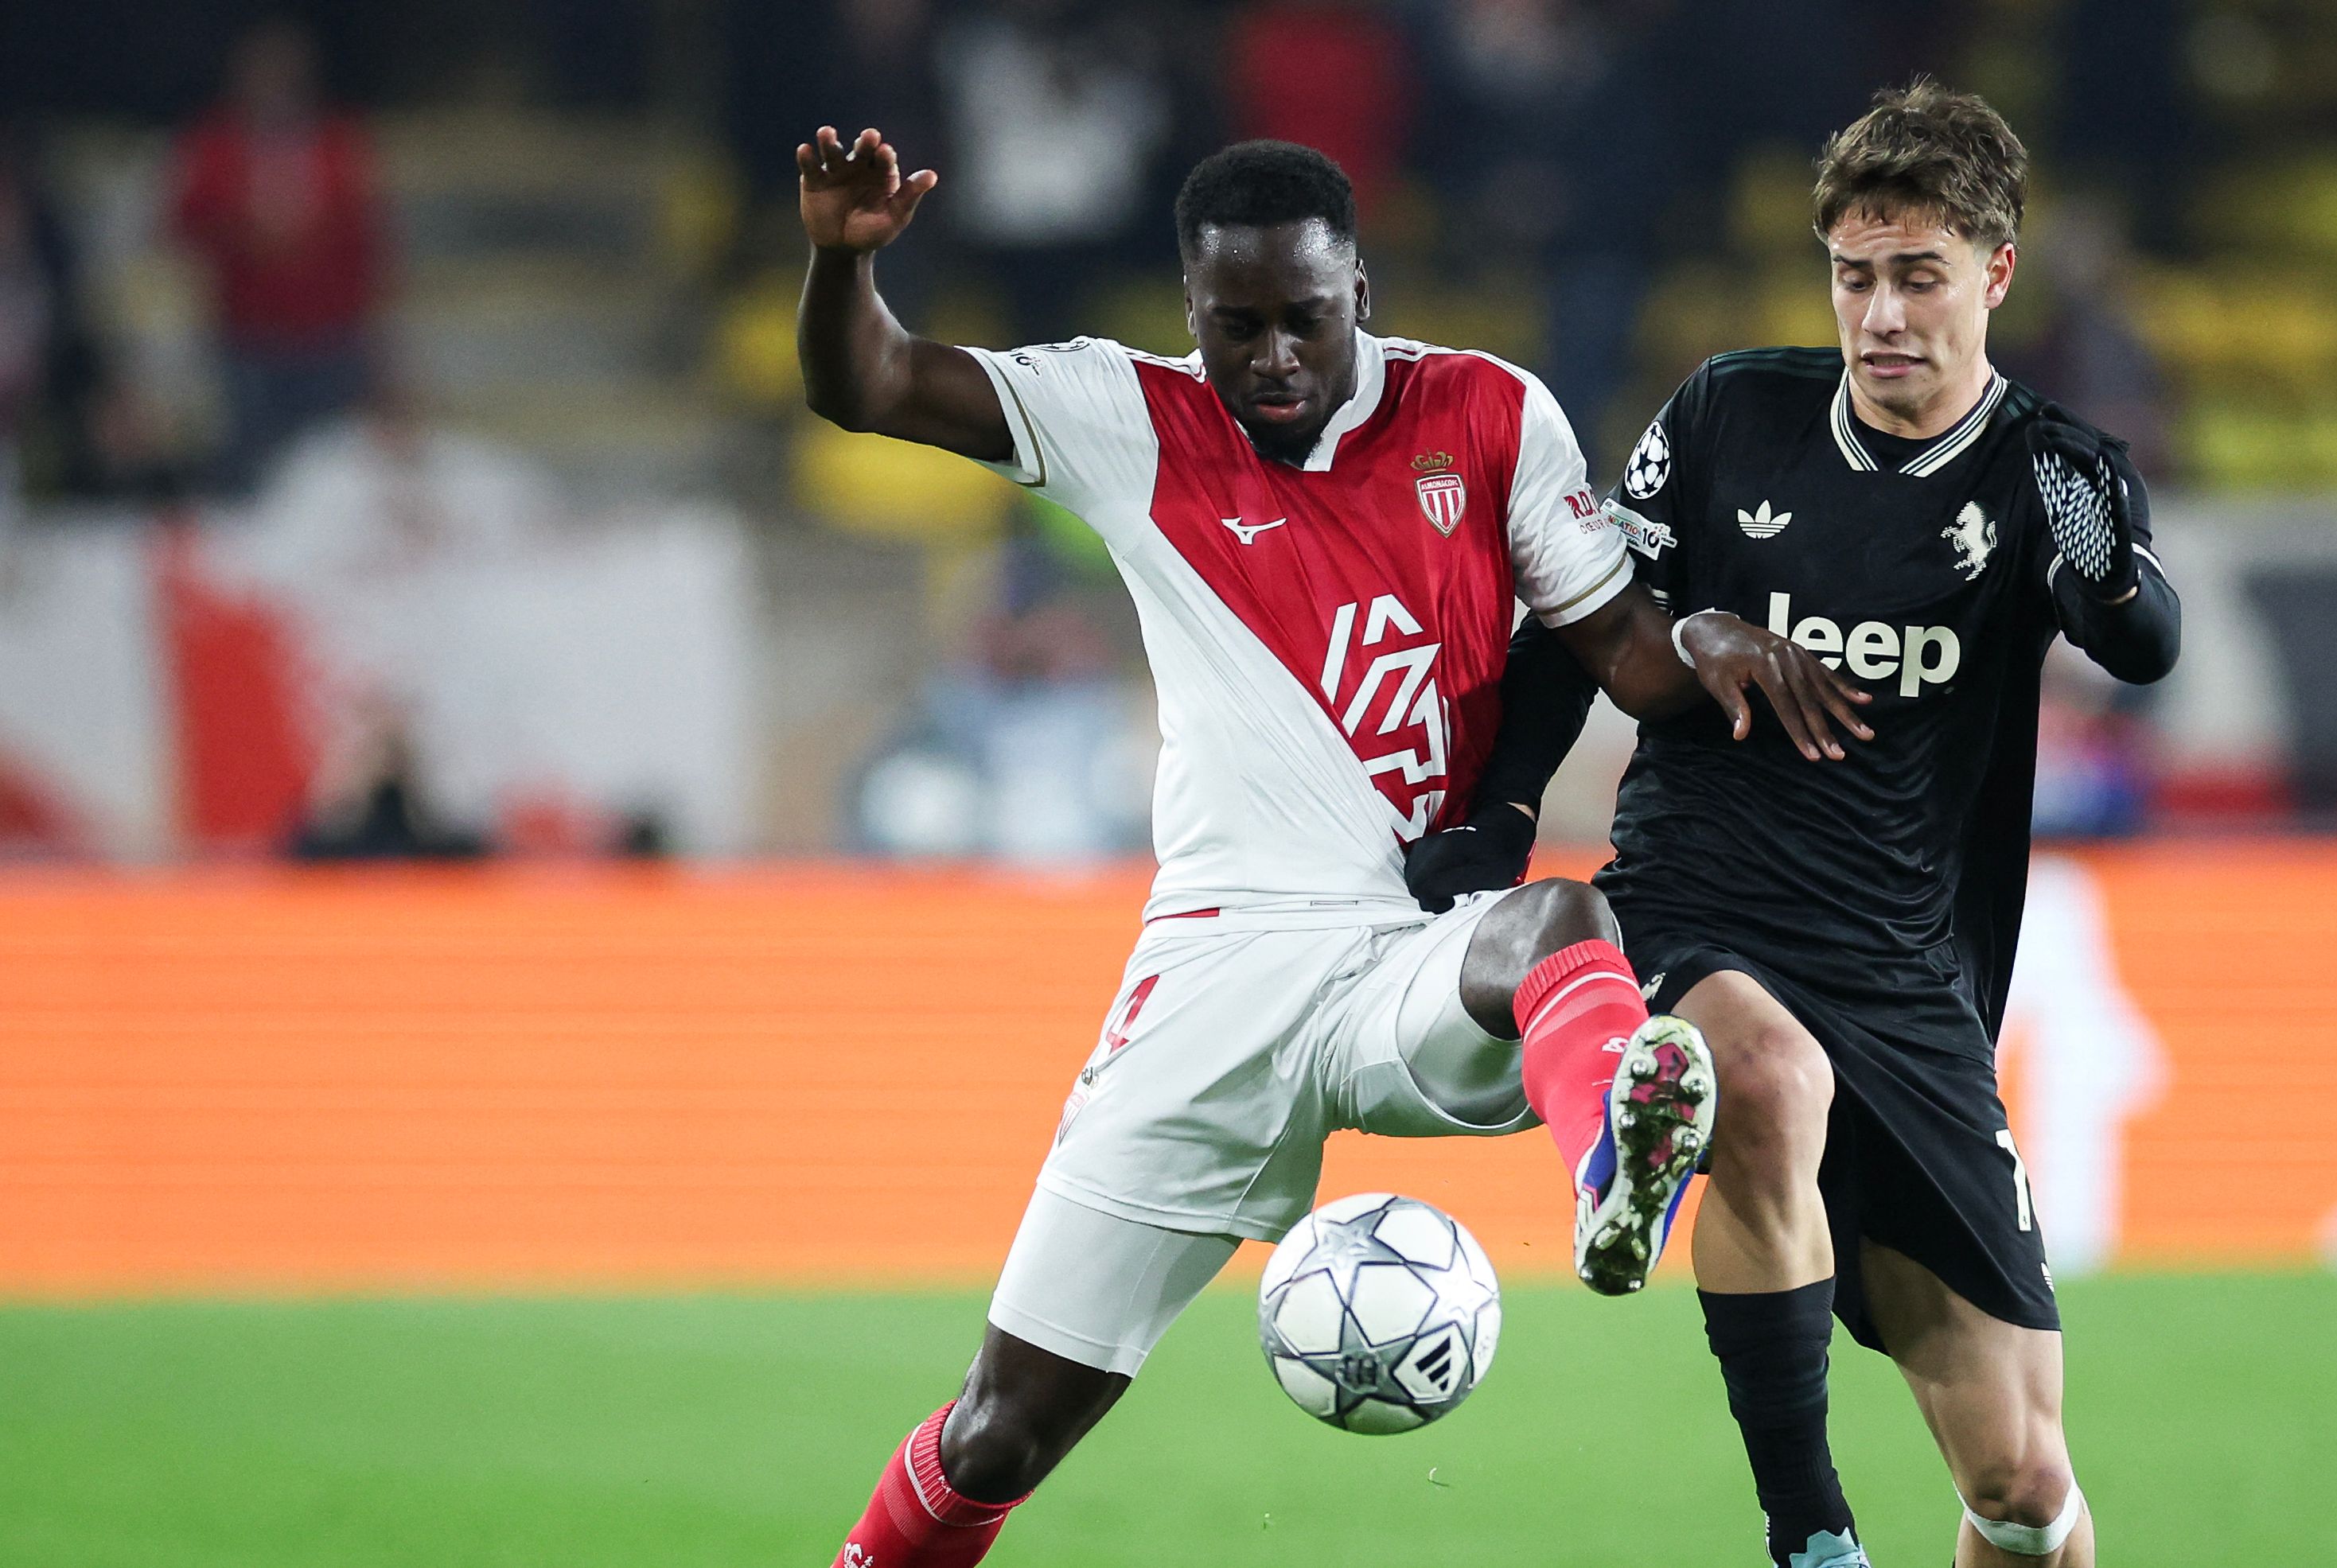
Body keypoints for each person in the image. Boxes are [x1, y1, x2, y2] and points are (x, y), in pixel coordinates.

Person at [793, 129, 1867, 1568]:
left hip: (1413, 947)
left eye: (1304, 318)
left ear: (1358, 288)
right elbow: (867, 384)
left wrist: (1709, 636)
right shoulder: (1127, 412)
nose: (1273, 358)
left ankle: (1616, 1160)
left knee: (1561, 922)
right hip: (1219, 970)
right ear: (1190, 309)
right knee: (999, 1430)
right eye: (1235, 327)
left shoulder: (1485, 412)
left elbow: (1619, 646)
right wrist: (841, 263)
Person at [1406, 82, 2179, 1568]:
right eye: (1852, 275)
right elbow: (1583, 618)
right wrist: (1500, 810)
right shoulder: (1727, 414)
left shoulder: (2049, 469)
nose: (1880, 314)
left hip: (1906, 968)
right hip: (1703, 893)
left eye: (1917, 276)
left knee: (2024, 1487)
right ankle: (1810, 1537)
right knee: (1755, 1077)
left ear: (1995, 272)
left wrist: (2102, 576)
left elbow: (2141, 642)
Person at [168, 18, 387, 494]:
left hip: (330, 334)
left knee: (331, 466)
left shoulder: (337, 140)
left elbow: (368, 234)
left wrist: (373, 326)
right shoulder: (214, 143)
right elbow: (185, 225)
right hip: (249, 336)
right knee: (251, 467)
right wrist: (245, 233)